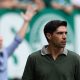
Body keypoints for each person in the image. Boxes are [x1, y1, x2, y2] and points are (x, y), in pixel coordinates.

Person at [0, 5, 36, 80]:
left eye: (1, 37)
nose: (1, 39)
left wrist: (26, 22)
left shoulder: (4, 53)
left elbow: (17, 40)